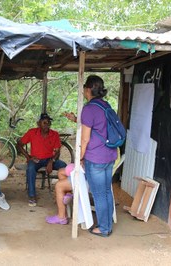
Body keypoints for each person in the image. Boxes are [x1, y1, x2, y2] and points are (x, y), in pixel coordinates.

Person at [62, 75, 117, 237]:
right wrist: (75, 119)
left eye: (84, 88)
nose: (83, 91)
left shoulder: (89, 108)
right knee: (106, 191)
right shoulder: (105, 105)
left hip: (96, 158)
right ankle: (107, 225)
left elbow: (85, 138)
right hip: (109, 155)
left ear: (88, 89)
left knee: (99, 194)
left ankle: (104, 228)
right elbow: (96, 125)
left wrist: (80, 157)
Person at [17, 113, 67, 207]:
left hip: (49, 159)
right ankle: (32, 196)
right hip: (36, 160)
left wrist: (51, 161)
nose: (46, 125)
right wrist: (28, 157)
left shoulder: (54, 134)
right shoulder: (32, 132)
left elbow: (57, 151)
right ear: (38, 123)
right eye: (44, 123)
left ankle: (65, 192)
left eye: (48, 123)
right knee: (30, 169)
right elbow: (19, 144)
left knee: (64, 166)